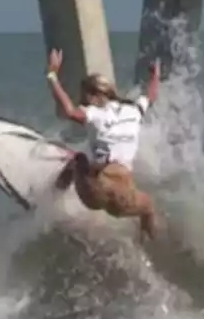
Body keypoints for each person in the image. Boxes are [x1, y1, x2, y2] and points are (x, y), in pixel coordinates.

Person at [44, 48, 162, 241]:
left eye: (84, 96)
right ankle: (152, 244)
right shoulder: (134, 110)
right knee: (148, 207)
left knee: (78, 159)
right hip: (124, 196)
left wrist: (52, 75)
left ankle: (49, 199)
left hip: (95, 192)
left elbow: (69, 111)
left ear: (93, 96)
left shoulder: (95, 114)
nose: (83, 101)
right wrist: (155, 75)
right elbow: (151, 95)